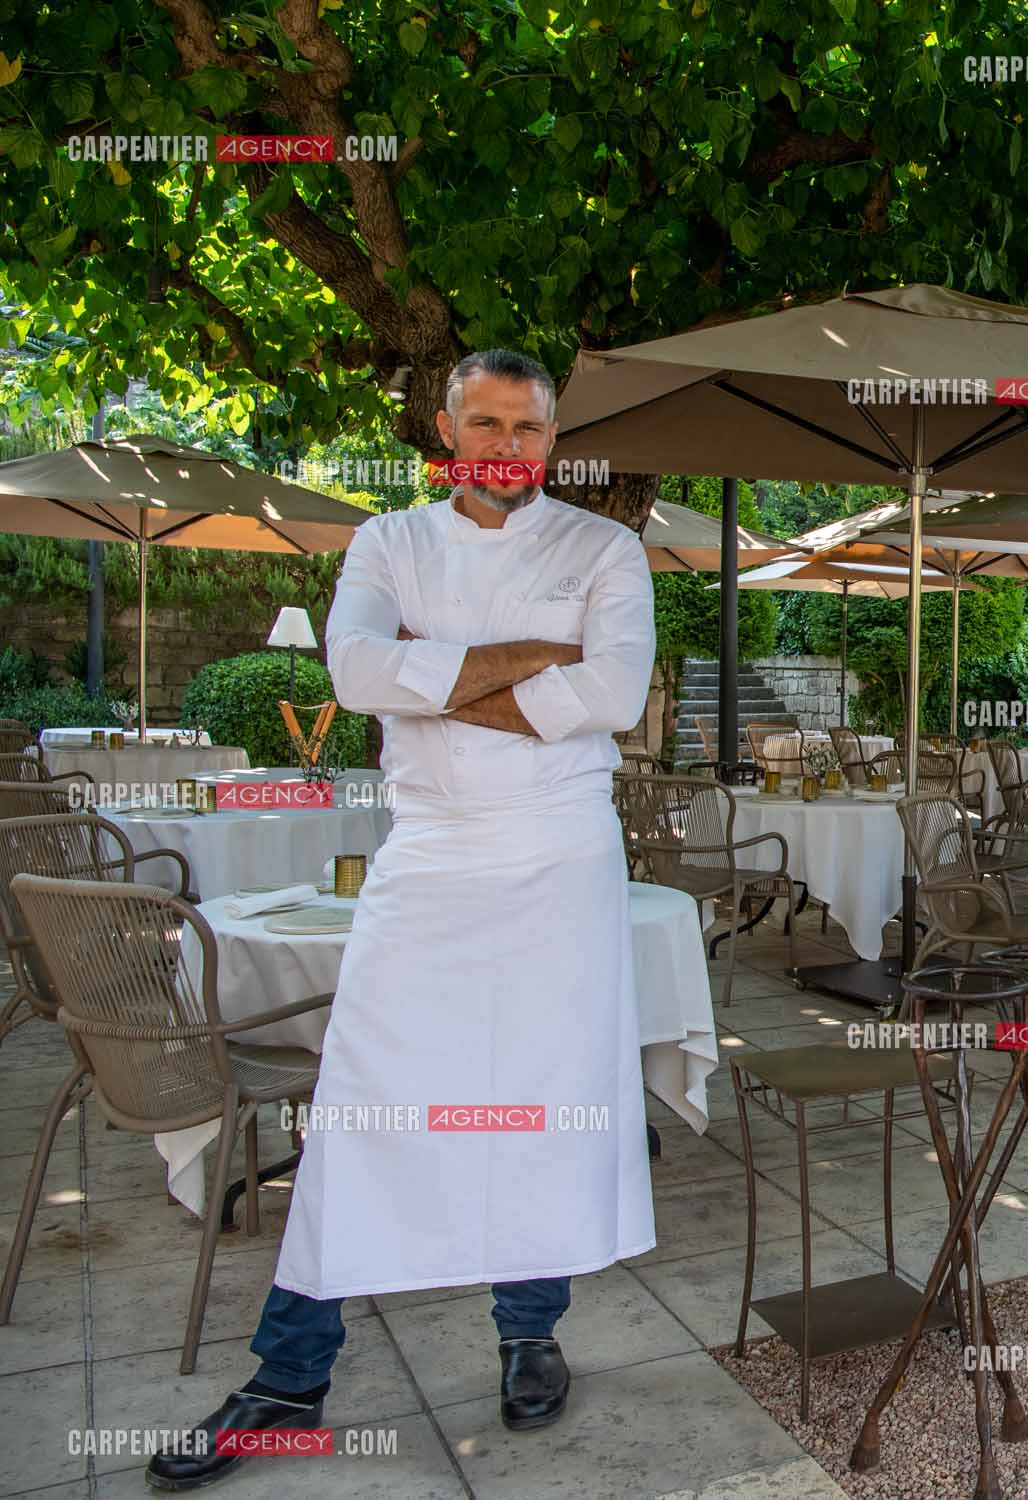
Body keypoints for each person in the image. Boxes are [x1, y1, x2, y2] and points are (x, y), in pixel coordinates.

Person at [149, 350, 658, 1490]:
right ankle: (290, 1372)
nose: (507, 447)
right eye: (485, 422)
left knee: (539, 1098)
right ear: (445, 426)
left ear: (553, 437)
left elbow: (614, 696)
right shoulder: (390, 544)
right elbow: (355, 671)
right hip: (428, 854)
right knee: (367, 1098)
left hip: (560, 858)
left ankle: (529, 1329)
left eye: (528, 428)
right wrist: (531, 668)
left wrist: (440, 680)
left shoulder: (603, 548)